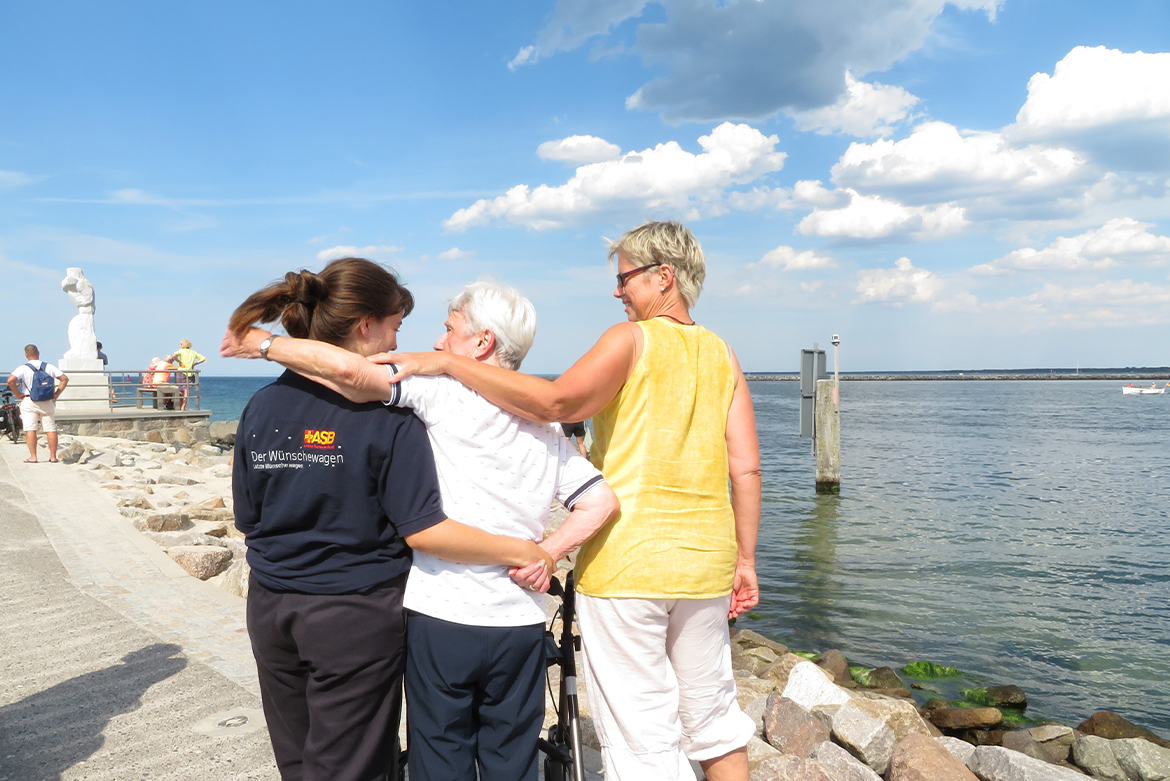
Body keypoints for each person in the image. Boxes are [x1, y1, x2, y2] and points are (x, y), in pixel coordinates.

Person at [362, 221, 759, 781]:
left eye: (624, 278)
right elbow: (744, 466)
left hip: (630, 564)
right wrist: (746, 560)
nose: (617, 291)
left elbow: (553, 401)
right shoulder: (723, 353)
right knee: (715, 720)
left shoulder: (630, 340)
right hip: (707, 564)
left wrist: (449, 364)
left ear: (663, 277)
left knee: (643, 736)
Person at [223, 280, 620, 781]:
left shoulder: (438, 395)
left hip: (441, 611)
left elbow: (350, 371)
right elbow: (601, 501)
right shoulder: (547, 429)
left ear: (483, 342)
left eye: (448, 331)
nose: (434, 343)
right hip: (518, 616)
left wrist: (261, 343)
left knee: (438, 751)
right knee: (514, 754)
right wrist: (547, 551)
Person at [7, 345, 69, 463]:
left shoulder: (23, 368)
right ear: (38, 353)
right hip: (47, 401)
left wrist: (18, 394)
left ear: (26, 355)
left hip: (29, 400)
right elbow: (64, 379)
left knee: (30, 429)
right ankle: (53, 457)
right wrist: (57, 394)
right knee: (50, 429)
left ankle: (33, 457)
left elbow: (10, 380)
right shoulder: (48, 366)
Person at [167, 338, 206, 410]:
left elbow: (174, 355)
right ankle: (183, 406)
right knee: (186, 390)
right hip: (190, 372)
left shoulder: (181, 351)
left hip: (181, 371)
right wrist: (195, 364)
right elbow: (203, 358)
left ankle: (175, 404)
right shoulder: (193, 352)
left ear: (182, 344)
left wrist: (179, 361)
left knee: (180, 388)